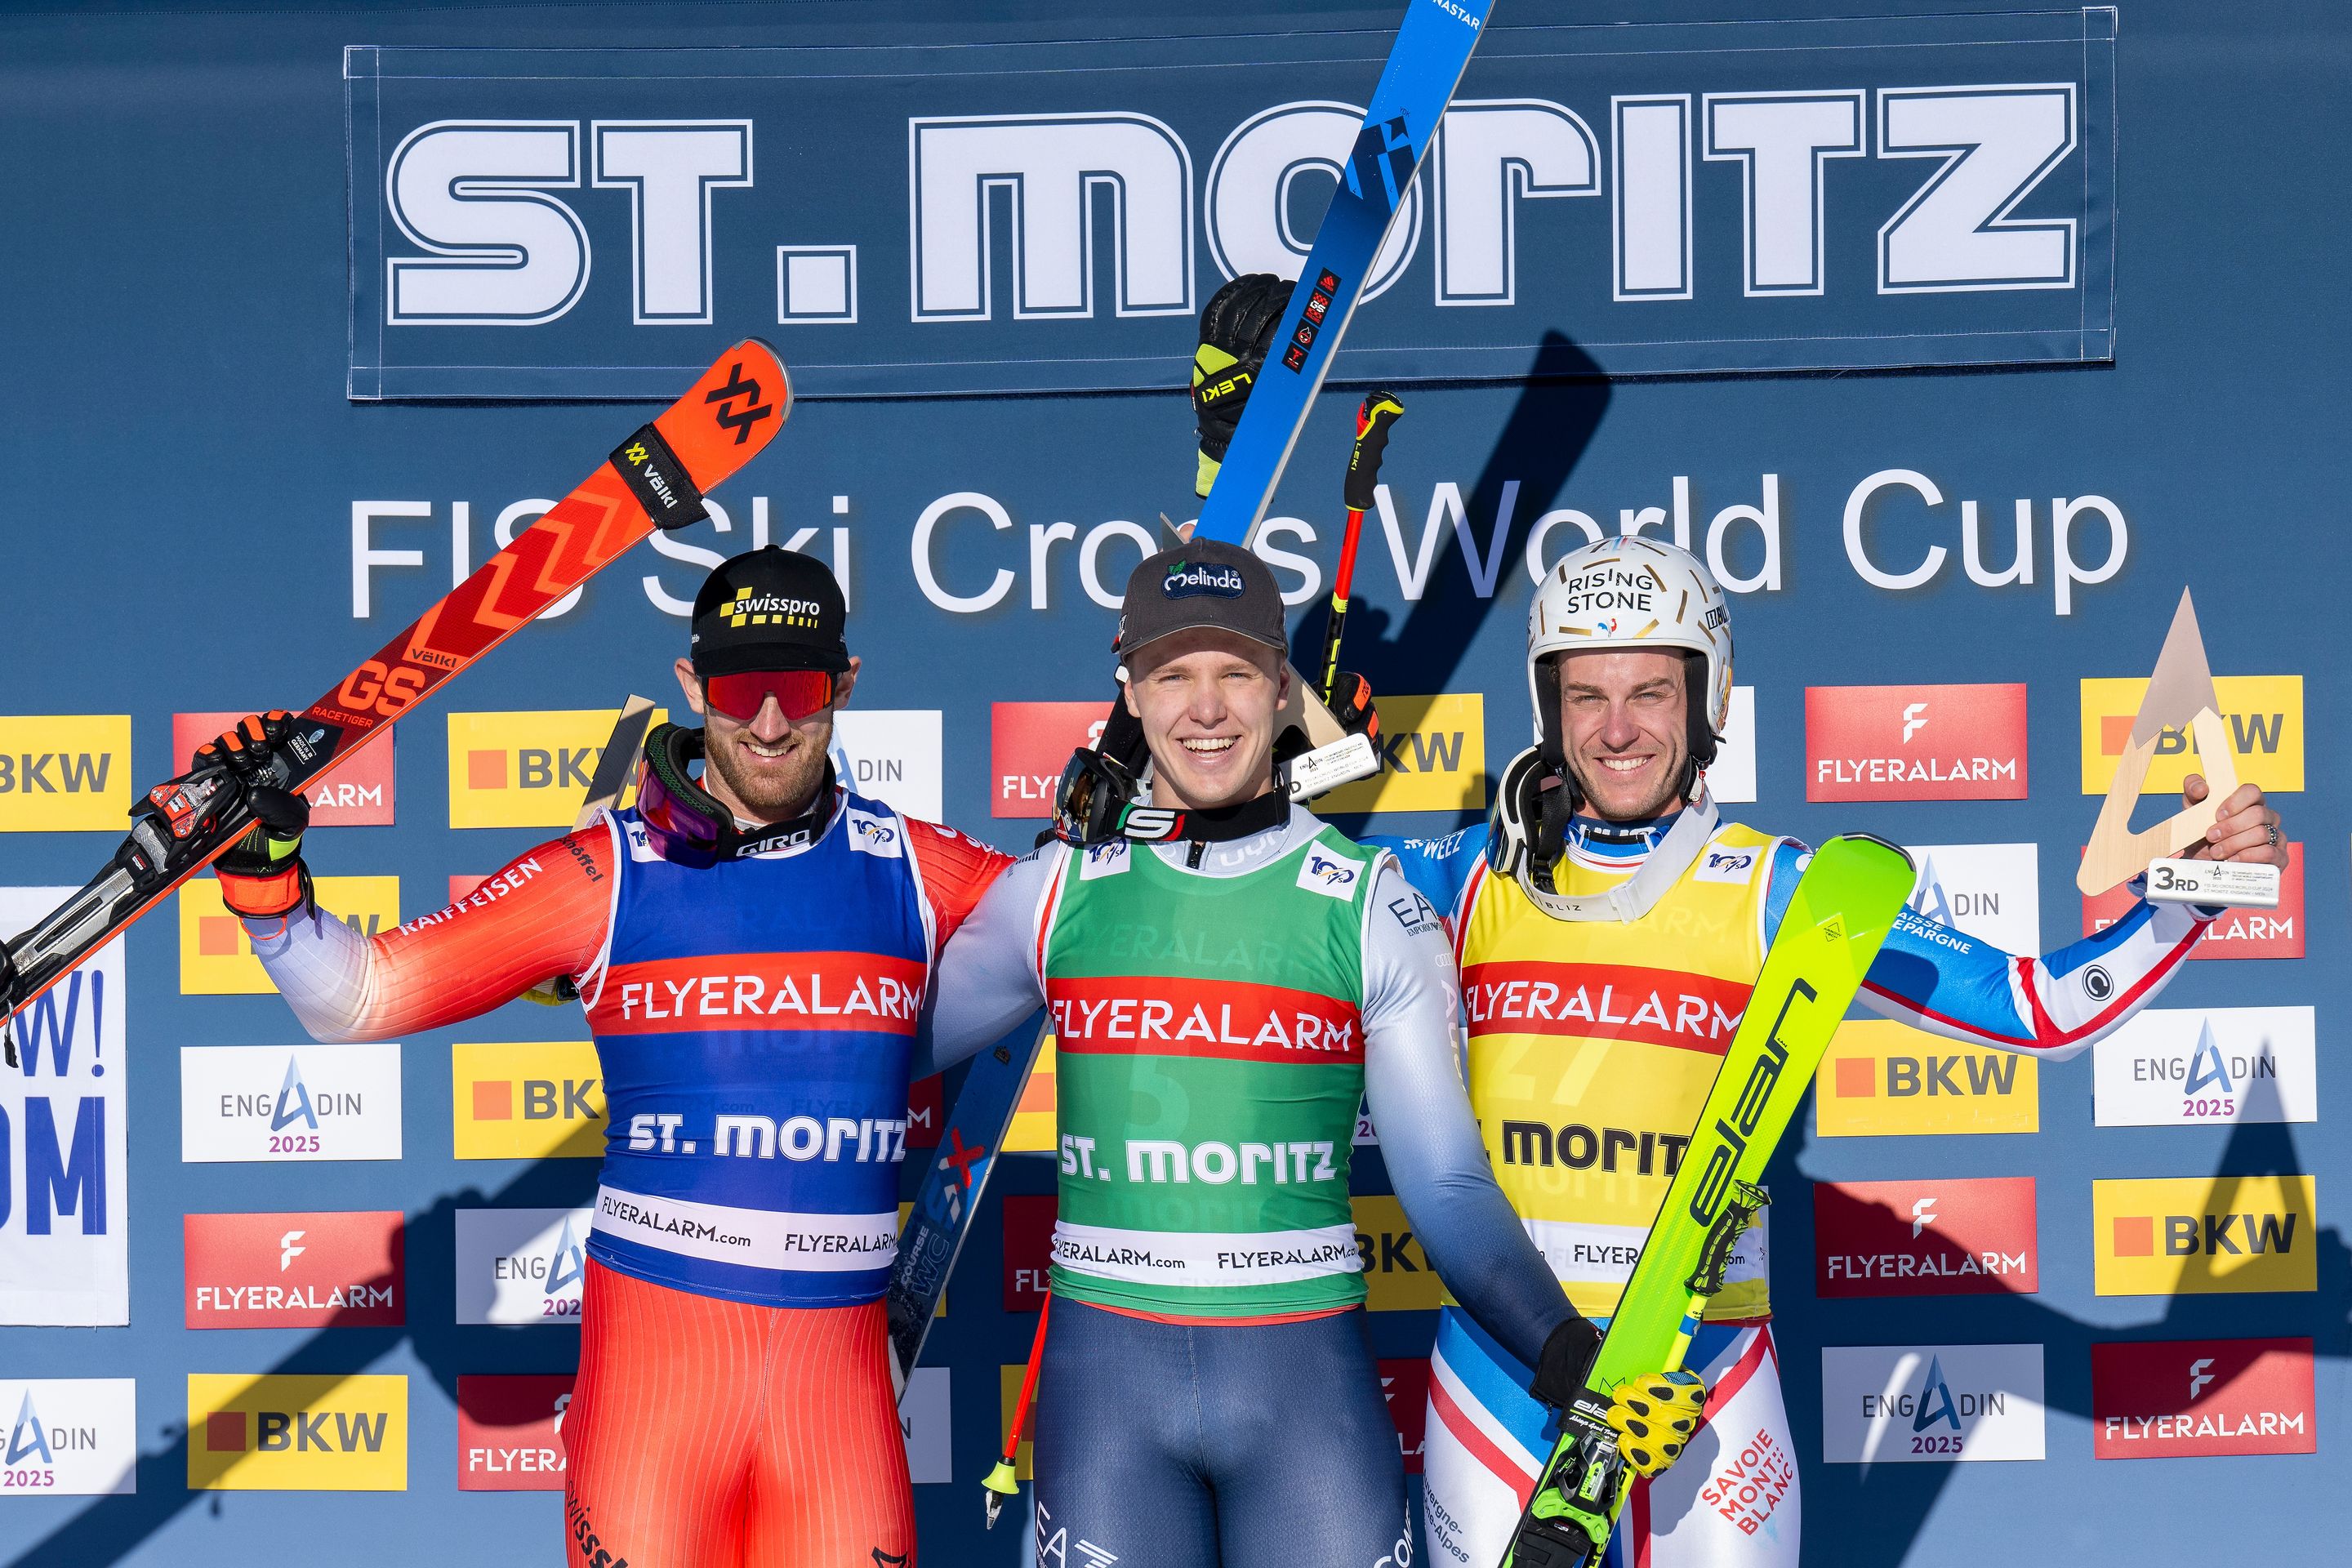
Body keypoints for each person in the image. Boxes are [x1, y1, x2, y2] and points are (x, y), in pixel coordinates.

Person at [1379, 535, 2290, 1568]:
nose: (1619, 728)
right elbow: (1258, 908)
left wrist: (2185, 894)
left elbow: (2040, 1009)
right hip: (1509, 1377)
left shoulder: (1792, 891)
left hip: (1703, 1383)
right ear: (1548, 709)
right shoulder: (1463, 878)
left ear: (1710, 697)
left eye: (1653, 691)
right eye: (1586, 696)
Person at [203, 547, 1009, 1568]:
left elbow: (1082, 928)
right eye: (737, 688)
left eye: (797, 688)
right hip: (655, 1412)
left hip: (836, 1414)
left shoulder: (913, 865)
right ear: (691, 685)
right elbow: (361, 998)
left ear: (843, 685)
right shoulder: (606, 870)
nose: (768, 721)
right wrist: (266, 890)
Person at [920, 538, 1665, 1568]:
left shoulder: (1370, 903)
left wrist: (1561, 1345)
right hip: (1106, 1408)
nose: (1207, 709)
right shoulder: (1056, 890)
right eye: (1173, 676)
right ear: (1128, 694)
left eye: (1235, 674)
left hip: (1305, 1401)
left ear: (1283, 690)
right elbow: (872, 1043)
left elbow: (1444, 1183)